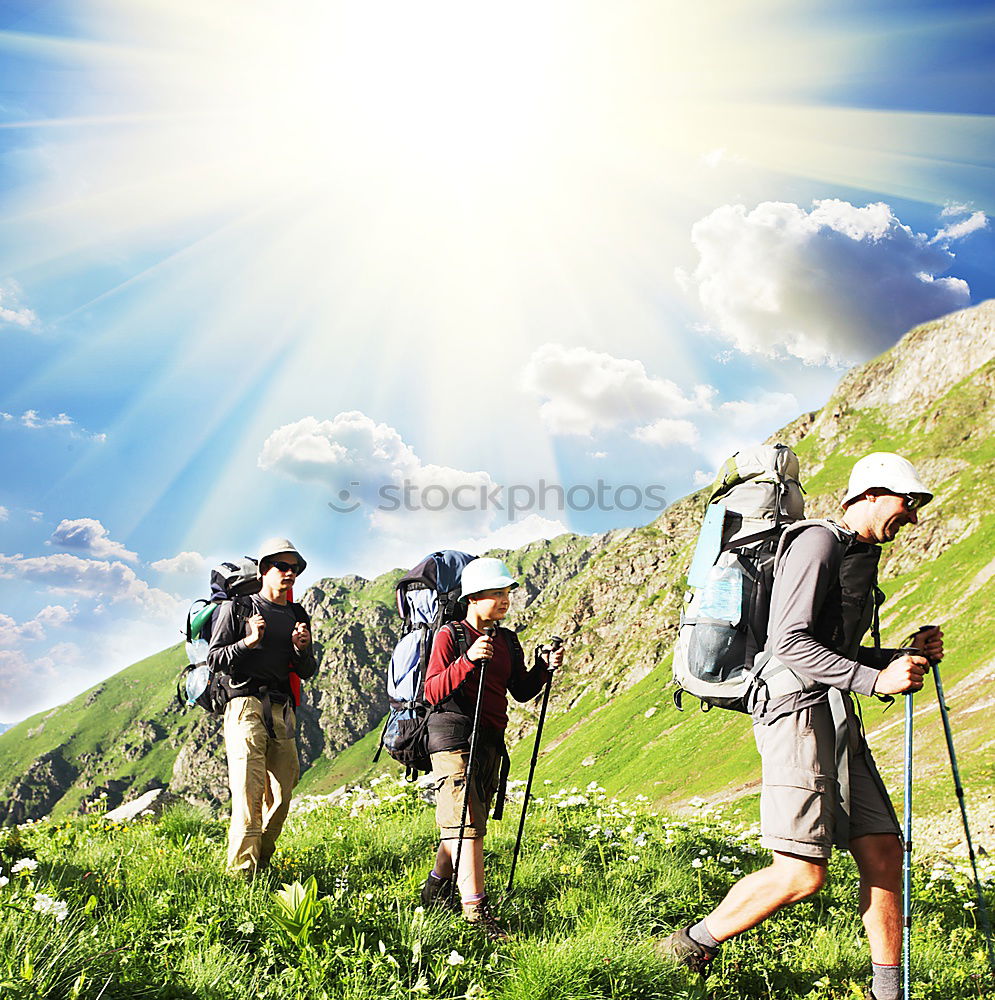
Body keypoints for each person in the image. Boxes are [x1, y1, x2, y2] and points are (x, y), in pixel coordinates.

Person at [659, 453, 944, 1000]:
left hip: (833, 710)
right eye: (908, 502)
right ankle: (686, 947)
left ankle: (891, 991)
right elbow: (788, 643)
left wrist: (898, 656)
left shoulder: (855, 552)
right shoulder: (818, 542)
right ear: (871, 494)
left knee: (884, 847)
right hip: (794, 713)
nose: (912, 518)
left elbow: (830, 647)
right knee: (801, 873)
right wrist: (876, 680)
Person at [418, 557, 564, 939]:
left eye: (506, 593)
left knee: (461, 823)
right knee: (468, 827)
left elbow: (521, 690)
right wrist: (467, 661)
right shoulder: (452, 635)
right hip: (451, 737)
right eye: (496, 593)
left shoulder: (507, 640)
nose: (504, 600)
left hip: (489, 742)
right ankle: (476, 913)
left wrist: (544, 668)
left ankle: (434, 892)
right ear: (472, 597)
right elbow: (431, 691)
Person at [208, 537, 317, 878]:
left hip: (282, 710)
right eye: (282, 567)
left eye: (294, 568)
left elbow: (306, 671)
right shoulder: (237, 609)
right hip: (244, 706)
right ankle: (242, 873)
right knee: (248, 792)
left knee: (284, 792)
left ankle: (262, 859)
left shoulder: (297, 614)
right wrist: (246, 643)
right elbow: (215, 659)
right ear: (265, 570)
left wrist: (302, 649)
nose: (290, 573)